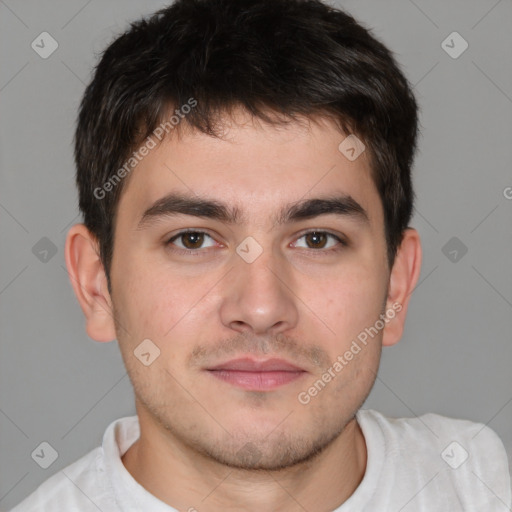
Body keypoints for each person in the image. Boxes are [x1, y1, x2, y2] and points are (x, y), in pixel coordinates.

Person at [11, 0, 511, 510]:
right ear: (97, 285)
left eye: (317, 239)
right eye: (193, 239)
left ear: (396, 287)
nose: (261, 309)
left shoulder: (478, 485)